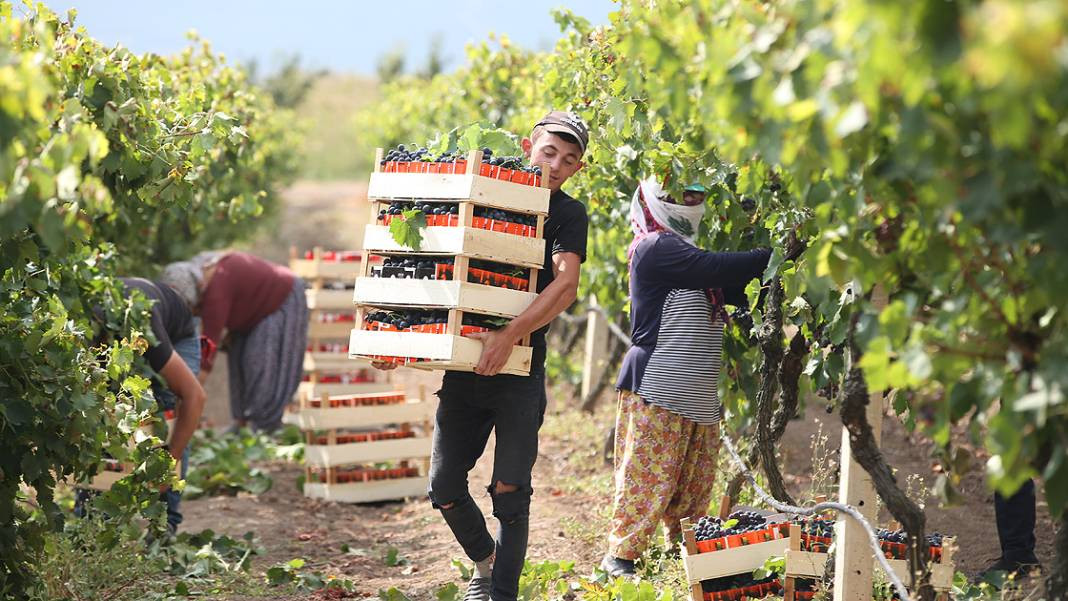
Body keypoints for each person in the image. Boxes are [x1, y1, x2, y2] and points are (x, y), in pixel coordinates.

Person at [377, 111, 590, 601]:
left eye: (569, 160)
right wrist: (396, 338)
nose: (556, 165)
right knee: (444, 485)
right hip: (464, 367)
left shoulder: (568, 215)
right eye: (549, 151)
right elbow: (430, 264)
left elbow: (567, 284)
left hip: (519, 372)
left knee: (509, 492)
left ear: (578, 169)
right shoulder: (480, 195)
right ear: (526, 145)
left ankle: (501, 594)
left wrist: (510, 334)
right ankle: (484, 561)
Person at [600, 178, 795, 577]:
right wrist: (778, 253)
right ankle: (619, 559)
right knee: (647, 478)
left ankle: (682, 552)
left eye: (695, 194)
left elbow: (743, 289)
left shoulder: (692, 257)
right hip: (658, 385)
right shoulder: (655, 248)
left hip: (699, 390)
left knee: (693, 484)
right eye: (674, 194)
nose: (686, 202)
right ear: (653, 198)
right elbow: (718, 267)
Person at [79, 277, 207, 534]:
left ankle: (164, 522)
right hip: (131, 333)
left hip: (177, 334)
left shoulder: (149, 337)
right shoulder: (82, 336)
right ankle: (91, 516)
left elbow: (195, 397)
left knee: (165, 410)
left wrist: (168, 464)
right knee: (104, 411)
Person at [161, 251, 308, 432]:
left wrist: (185, 399)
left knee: (261, 362)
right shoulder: (206, 275)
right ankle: (242, 424)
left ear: (198, 286)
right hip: (253, 311)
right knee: (238, 357)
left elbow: (206, 356)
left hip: (281, 297)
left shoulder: (216, 289)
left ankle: (264, 428)